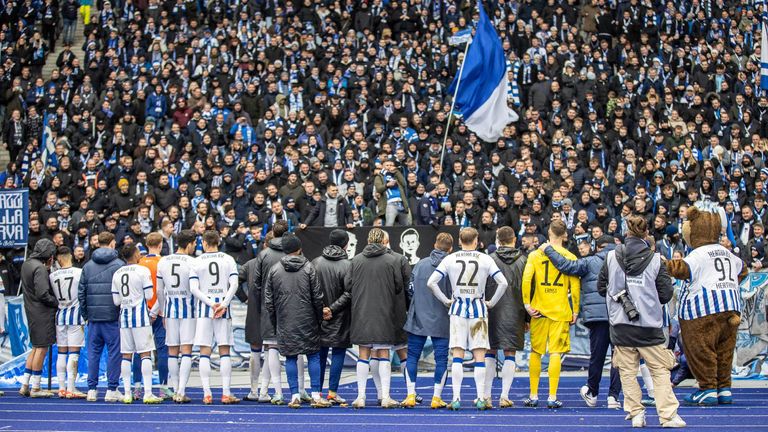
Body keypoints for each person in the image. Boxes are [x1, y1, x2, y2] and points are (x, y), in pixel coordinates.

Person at [597, 215, 685, 428]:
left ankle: (636, 413)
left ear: (626, 233)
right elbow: (665, 294)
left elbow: (601, 287)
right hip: (649, 324)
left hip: (620, 324)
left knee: (627, 371)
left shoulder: (610, 257)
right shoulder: (656, 259)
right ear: (646, 234)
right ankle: (668, 415)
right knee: (660, 370)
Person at [426, 227, 509, 411]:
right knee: (480, 356)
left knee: (457, 355)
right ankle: (480, 398)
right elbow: (503, 282)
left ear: (459, 240)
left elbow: (431, 282)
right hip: (478, 309)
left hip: (457, 309)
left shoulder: (450, 258)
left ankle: (456, 398)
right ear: (477, 240)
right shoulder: (486, 258)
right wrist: (491, 302)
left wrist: (446, 300)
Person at [542, 234, 622, 409]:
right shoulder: (623, 262)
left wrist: (548, 249)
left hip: (598, 316)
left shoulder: (590, 261)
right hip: (620, 315)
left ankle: (592, 392)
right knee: (619, 358)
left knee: (597, 356)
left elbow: (566, 266)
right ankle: (613, 397)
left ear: (598, 247)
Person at [264, 234, 331, 408]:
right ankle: (316, 395)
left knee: (291, 357)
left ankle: (294, 395)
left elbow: (268, 300)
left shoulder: (274, 270)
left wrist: (276, 319)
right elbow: (317, 296)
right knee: (314, 356)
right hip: (308, 318)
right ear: (300, 248)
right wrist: (318, 318)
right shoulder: (309, 268)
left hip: (285, 319)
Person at [522, 220, 580, 409]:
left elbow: (526, 279)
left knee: (536, 352)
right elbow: (575, 286)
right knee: (555, 353)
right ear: (564, 235)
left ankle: (533, 394)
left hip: (539, 309)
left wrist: (527, 304)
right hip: (560, 310)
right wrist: (576, 310)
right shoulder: (570, 256)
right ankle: (552, 396)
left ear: (548, 232)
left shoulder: (535, 254)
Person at [345, 228, 405, 408]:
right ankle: (385, 397)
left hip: (361, 311)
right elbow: (398, 286)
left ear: (368, 240)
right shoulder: (392, 260)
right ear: (383, 241)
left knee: (363, 354)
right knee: (384, 354)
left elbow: (347, 285)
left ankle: (361, 397)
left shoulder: (355, 260)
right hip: (384, 310)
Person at [401, 232, 453, 409]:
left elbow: (410, 290)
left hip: (419, 316)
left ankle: (410, 395)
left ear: (434, 244)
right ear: (450, 248)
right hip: (443, 318)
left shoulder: (420, 265)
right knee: (442, 360)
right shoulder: (452, 265)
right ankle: (436, 398)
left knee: (412, 357)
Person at [189, 230, 240, 405]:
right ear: (218, 241)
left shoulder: (197, 261)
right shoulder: (228, 259)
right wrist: (223, 303)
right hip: (223, 311)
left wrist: (210, 304)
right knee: (224, 350)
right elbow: (234, 284)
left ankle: (207, 393)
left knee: (205, 351)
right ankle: (226, 393)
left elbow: (194, 289)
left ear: (203, 242)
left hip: (205, 310)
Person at [111, 244, 163, 404]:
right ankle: (148, 393)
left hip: (124, 318)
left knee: (126, 355)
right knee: (145, 353)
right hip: (140, 318)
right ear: (135, 254)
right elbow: (148, 295)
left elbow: (116, 301)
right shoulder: (142, 270)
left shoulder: (117, 273)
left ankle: (127, 393)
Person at [247, 220, 292, 404]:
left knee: (271, 347)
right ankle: (297, 391)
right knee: (294, 350)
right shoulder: (293, 251)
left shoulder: (264, 255)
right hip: (291, 304)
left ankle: (272, 391)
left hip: (269, 306)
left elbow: (256, 284)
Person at [484, 226, 528, 408]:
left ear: (498, 240)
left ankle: (486, 395)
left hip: (491, 310)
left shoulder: (489, 260)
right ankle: (504, 395)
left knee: (489, 351)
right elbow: (528, 291)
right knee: (510, 352)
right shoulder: (524, 261)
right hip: (516, 311)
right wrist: (527, 318)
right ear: (514, 240)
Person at [78, 232, 125, 402]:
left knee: (93, 354)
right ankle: (111, 389)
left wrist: (86, 315)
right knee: (114, 353)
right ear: (112, 243)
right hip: (113, 317)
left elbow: (81, 293)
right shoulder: (120, 264)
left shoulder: (87, 266)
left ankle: (91, 390)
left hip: (94, 318)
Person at [155, 230, 197, 403]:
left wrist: (163, 311)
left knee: (172, 350)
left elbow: (159, 290)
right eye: (194, 244)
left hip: (170, 310)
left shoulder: (163, 261)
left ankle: (174, 388)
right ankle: (181, 391)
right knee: (186, 350)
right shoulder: (193, 262)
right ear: (189, 244)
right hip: (188, 310)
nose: (195, 247)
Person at [311, 229, 352, 405]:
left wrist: (322, 309)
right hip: (340, 316)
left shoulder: (316, 262)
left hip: (319, 316)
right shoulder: (347, 264)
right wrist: (332, 309)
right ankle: (332, 392)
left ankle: (317, 392)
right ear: (345, 244)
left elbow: (310, 290)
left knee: (319, 354)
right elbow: (350, 292)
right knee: (338, 353)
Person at [19, 239, 58, 398]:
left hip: (31, 310)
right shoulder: (39, 268)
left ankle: (25, 385)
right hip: (41, 312)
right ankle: (36, 388)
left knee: (35, 348)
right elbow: (43, 294)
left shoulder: (27, 264)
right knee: (41, 349)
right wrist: (56, 302)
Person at [133, 232, 170, 399]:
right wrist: (156, 311)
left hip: (141, 312)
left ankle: (137, 387)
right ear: (161, 245)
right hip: (159, 311)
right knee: (162, 350)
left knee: (140, 350)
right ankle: (163, 386)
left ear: (146, 244)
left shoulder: (139, 263)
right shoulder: (163, 262)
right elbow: (162, 290)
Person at [50, 246, 86, 399]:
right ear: (70, 255)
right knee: (74, 352)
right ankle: (71, 387)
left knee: (61, 352)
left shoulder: (53, 275)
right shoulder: (79, 272)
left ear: (58, 258)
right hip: (75, 315)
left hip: (60, 315)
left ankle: (62, 388)